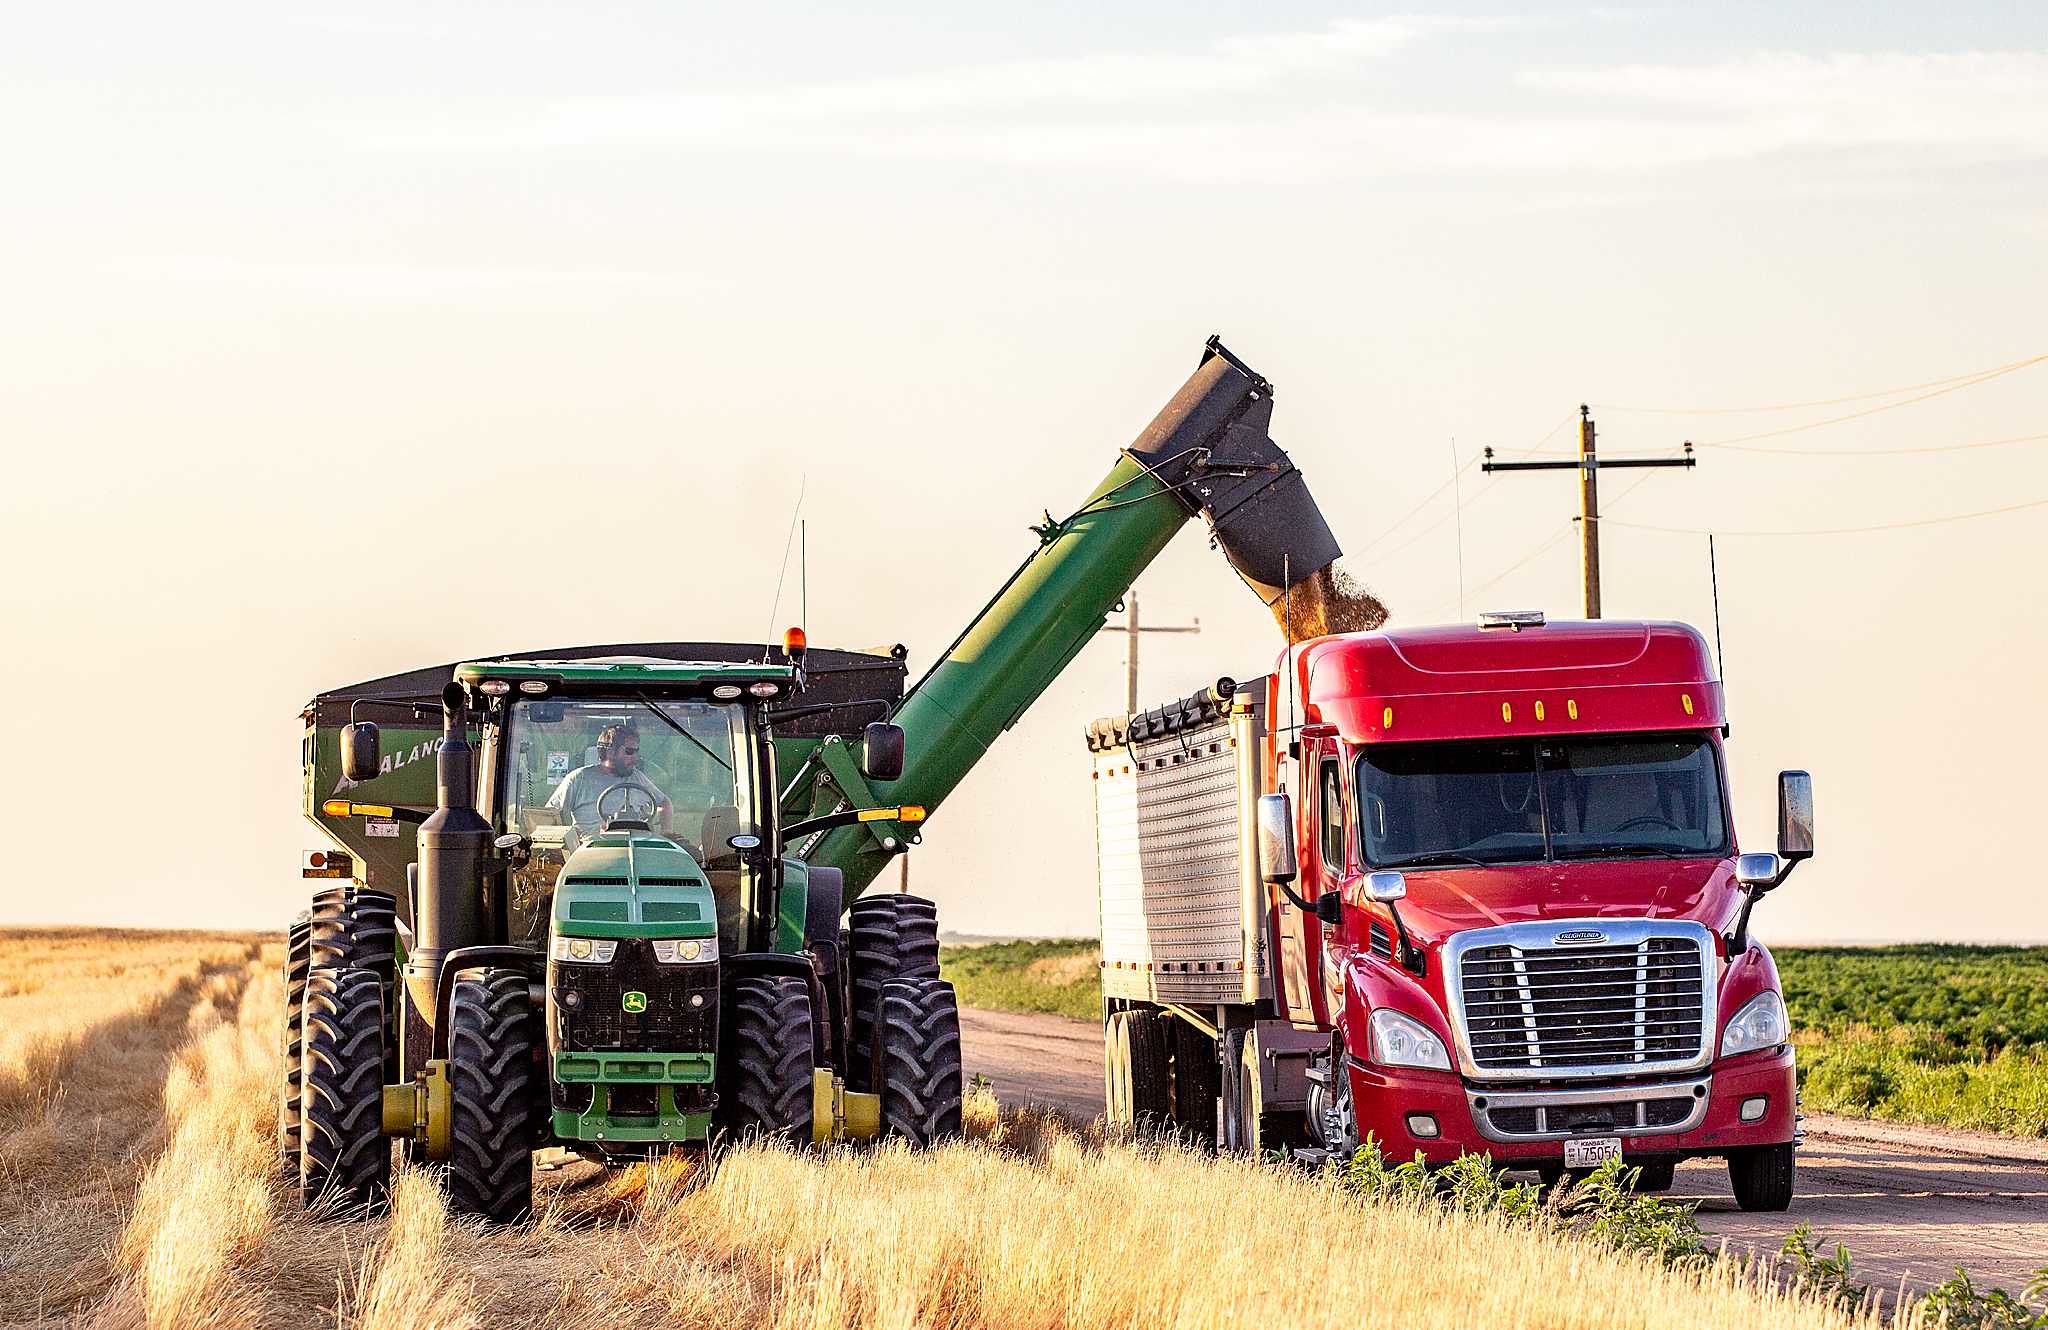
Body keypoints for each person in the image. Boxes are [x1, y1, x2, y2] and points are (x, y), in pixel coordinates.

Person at [545, 722, 673, 835]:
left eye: (636, 752)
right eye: (629, 752)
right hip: (591, 848)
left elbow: (664, 803)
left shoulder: (637, 778)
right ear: (610, 752)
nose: (635, 759)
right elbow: (549, 815)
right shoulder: (579, 779)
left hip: (634, 844)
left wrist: (666, 832)